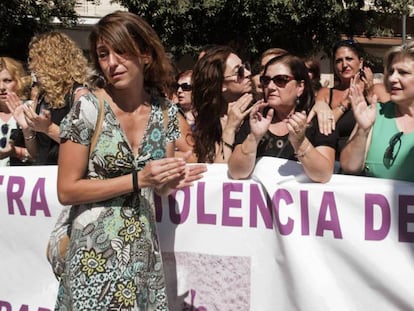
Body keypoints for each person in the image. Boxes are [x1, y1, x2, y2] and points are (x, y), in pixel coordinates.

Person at [55, 11, 206, 310]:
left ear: (146, 54)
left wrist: (170, 181)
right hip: (92, 257)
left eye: (121, 51)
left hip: (141, 256)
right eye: (103, 54)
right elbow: (67, 190)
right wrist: (140, 179)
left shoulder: (166, 113)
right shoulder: (87, 108)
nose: (112, 63)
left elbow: (159, 187)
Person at [228, 54, 338, 183]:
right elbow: (236, 172)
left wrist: (300, 143)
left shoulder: (318, 119)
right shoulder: (256, 118)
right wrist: (254, 137)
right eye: (266, 80)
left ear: (300, 87)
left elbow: (323, 175)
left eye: (280, 80)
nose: (271, 86)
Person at [6, 31, 90, 165]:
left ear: (53, 62)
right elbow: (35, 153)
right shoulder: (42, 96)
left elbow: (84, 145)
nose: (32, 67)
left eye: (35, 60)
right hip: (45, 178)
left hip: (68, 176)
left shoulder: (79, 94)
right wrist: (27, 128)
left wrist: (48, 128)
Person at [340, 41, 414, 183]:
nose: (392, 78)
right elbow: (349, 167)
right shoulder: (375, 113)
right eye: (391, 71)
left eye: (403, 72)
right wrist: (363, 130)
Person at [310, 39, 389, 161]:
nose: (344, 64)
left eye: (349, 59)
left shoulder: (377, 90)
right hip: (333, 162)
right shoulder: (326, 93)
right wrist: (347, 101)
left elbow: (388, 124)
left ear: (360, 62)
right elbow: (324, 126)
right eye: (339, 61)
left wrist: (369, 94)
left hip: (365, 162)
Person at [192, 45, 253, 163]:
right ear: (221, 85)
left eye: (245, 66)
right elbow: (218, 172)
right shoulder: (210, 123)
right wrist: (230, 128)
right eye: (239, 72)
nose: (248, 73)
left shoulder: (261, 112)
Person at [0, 56, 32, 165]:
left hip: (19, 179)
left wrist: (16, 152)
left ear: (18, 81)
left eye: (7, 81)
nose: (1, 87)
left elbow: (42, 155)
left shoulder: (30, 109)